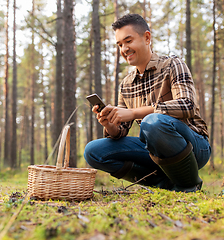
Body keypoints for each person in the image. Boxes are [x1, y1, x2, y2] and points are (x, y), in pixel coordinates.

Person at [84, 13, 211, 192]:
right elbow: (120, 132)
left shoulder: (172, 64)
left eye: (128, 41)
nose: (124, 49)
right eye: (120, 44)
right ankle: (163, 184)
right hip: (153, 148)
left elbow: (187, 105)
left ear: (147, 37)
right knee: (93, 151)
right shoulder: (126, 84)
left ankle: (188, 185)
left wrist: (135, 113)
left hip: (194, 145)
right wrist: (110, 124)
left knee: (152, 122)